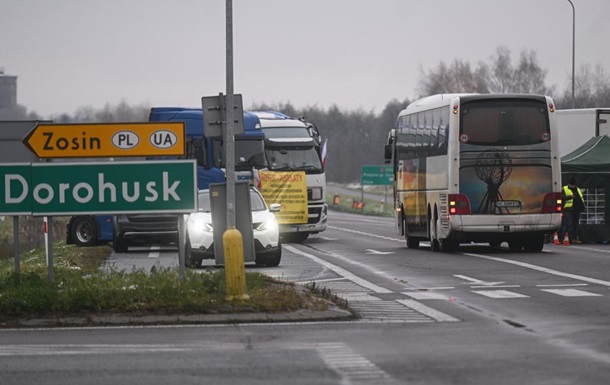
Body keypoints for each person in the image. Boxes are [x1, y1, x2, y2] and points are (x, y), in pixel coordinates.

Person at [561, 177, 584, 244]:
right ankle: (564, 238)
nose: (573, 186)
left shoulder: (578, 189)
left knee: (576, 225)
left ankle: (575, 238)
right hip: (568, 209)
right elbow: (561, 198)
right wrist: (570, 197)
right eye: (572, 185)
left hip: (577, 210)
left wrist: (582, 207)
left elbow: (581, 198)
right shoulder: (564, 189)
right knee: (567, 224)